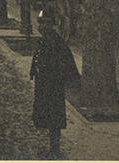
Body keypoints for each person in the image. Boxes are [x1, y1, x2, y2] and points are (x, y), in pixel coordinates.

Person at [30, 13, 81, 159]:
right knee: (48, 115)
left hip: (52, 85)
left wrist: (59, 77)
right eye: (41, 23)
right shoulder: (45, 39)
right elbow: (38, 57)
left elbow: (65, 62)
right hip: (45, 84)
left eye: (45, 23)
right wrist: (33, 71)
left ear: (51, 25)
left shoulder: (55, 41)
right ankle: (52, 146)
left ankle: (55, 148)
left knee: (53, 116)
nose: (42, 27)